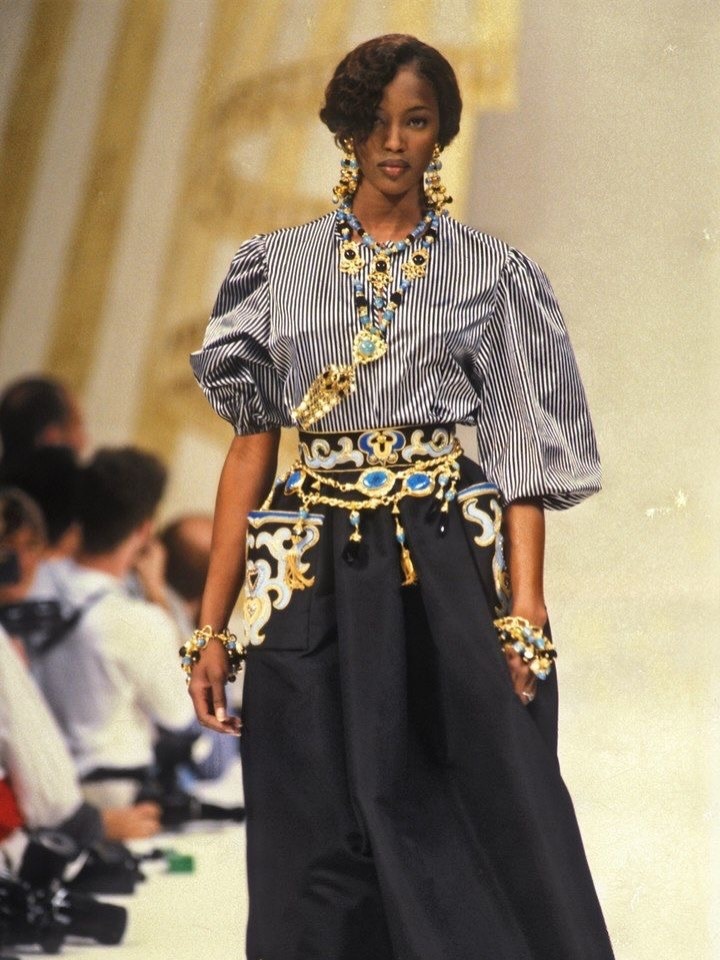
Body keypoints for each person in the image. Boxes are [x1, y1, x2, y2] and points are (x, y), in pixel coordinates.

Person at [187, 34, 614, 960]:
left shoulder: (490, 273)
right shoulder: (274, 267)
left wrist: (526, 611)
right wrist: (211, 625)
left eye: (415, 121)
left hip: (441, 566)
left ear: (442, 131)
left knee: (464, 810)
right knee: (311, 823)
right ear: (346, 129)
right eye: (375, 122)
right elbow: (250, 449)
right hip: (310, 568)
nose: (393, 142)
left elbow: (520, 454)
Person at [28, 448, 195, 810]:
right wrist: (157, 595)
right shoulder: (141, 621)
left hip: (34, 777)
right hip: (109, 794)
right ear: (144, 530)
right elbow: (180, 715)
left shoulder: (34, 581)